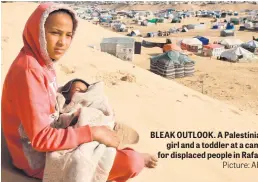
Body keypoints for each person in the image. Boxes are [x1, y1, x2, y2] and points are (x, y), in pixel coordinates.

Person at [1, 3, 157, 181]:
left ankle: (109, 134)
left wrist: (71, 89)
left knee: (85, 92)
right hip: (36, 159)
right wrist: (92, 133)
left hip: (51, 127)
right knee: (132, 163)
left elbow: (40, 101)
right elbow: (40, 139)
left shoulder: (40, 60)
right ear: (38, 32)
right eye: (55, 33)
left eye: (68, 35)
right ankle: (114, 141)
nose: (62, 42)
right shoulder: (29, 70)